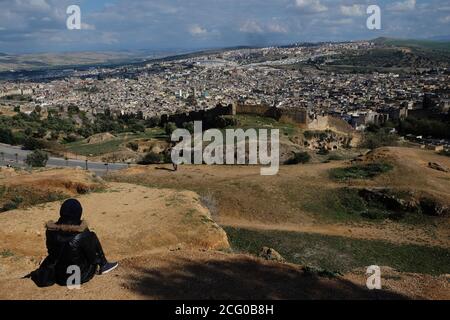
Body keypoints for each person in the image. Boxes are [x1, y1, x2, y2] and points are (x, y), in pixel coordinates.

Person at [30, 199, 118, 287]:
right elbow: (92, 259)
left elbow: (51, 252)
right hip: (79, 277)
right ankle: (104, 264)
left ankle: (103, 264)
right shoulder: (83, 234)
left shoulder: (50, 231)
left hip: (59, 277)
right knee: (92, 235)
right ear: (79, 212)